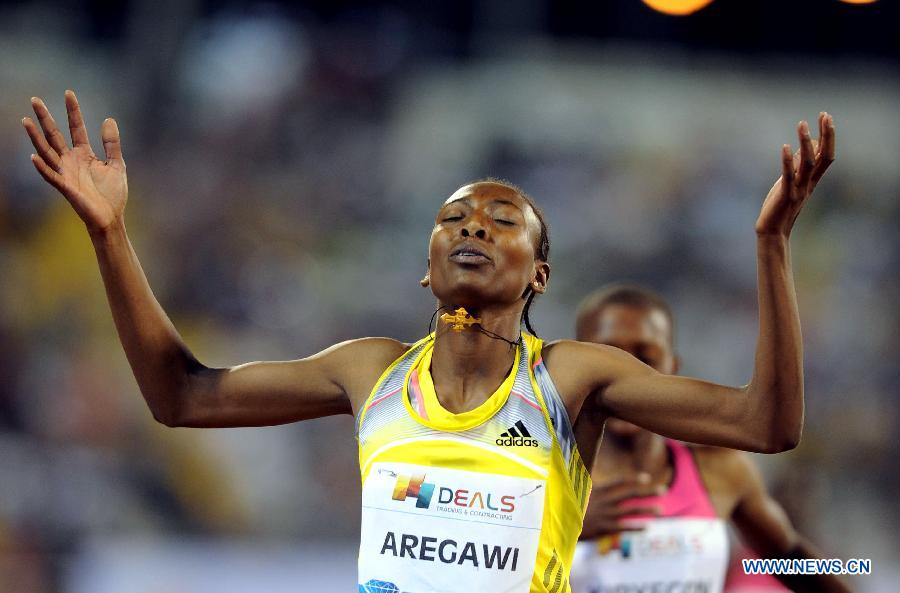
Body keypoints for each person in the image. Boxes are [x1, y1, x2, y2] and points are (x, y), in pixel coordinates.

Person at [22, 90, 835, 593]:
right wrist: (110, 235)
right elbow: (182, 396)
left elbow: (771, 433)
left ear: (539, 277)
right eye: (452, 217)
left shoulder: (572, 379)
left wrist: (770, 247)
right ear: (426, 268)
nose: (473, 222)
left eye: (502, 219)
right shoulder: (368, 370)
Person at [569, 284, 852, 593]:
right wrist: (563, 525)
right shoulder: (543, 477)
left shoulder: (721, 471)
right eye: (608, 358)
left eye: (645, 359)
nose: (623, 379)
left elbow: (789, 558)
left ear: (671, 370)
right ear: (579, 369)